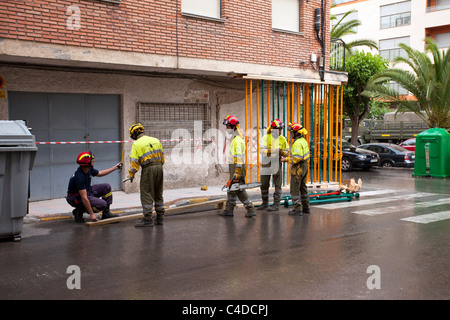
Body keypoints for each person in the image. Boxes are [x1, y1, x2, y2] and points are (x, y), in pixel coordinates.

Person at [123, 123, 165, 227]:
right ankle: (160, 218)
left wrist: (131, 175)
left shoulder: (137, 144)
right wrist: (157, 166)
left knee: (146, 193)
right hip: (159, 168)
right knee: (158, 193)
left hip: (148, 169)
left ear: (133, 135)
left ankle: (147, 219)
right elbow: (163, 159)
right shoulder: (156, 140)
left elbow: (134, 163)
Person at [66, 151, 122, 222]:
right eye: (92, 160)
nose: (93, 161)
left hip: (87, 191)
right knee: (102, 204)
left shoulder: (88, 169)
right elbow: (84, 198)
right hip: (76, 198)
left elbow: (100, 173)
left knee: (106, 187)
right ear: (87, 163)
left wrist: (115, 167)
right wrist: (92, 214)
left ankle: (106, 214)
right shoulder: (79, 176)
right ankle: (79, 210)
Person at [220, 115, 255, 218]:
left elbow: (239, 158)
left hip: (237, 168)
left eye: (228, 127)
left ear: (234, 127)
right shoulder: (235, 138)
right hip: (234, 168)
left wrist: (237, 172)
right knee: (231, 188)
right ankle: (229, 209)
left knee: (239, 190)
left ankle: (250, 209)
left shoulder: (237, 140)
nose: (227, 129)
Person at [257, 119, 289, 212]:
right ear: (273, 129)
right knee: (264, 183)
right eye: (279, 129)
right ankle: (265, 203)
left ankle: (276, 204)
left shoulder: (282, 138)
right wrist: (273, 151)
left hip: (276, 162)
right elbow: (262, 151)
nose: (280, 131)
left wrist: (282, 153)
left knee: (278, 184)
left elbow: (287, 151)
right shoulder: (266, 137)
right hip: (267, 161)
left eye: (281, 129)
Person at [281, 123, 311, 216]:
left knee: (295, 188)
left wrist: (285, 159)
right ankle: (306, 207)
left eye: (291, 133)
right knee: (303, 187)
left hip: (298, 167)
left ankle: (297, 208)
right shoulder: (303, 141)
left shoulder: (297, 143)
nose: (290, 134)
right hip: (305, 166)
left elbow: (297, 158)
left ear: (296, 133)